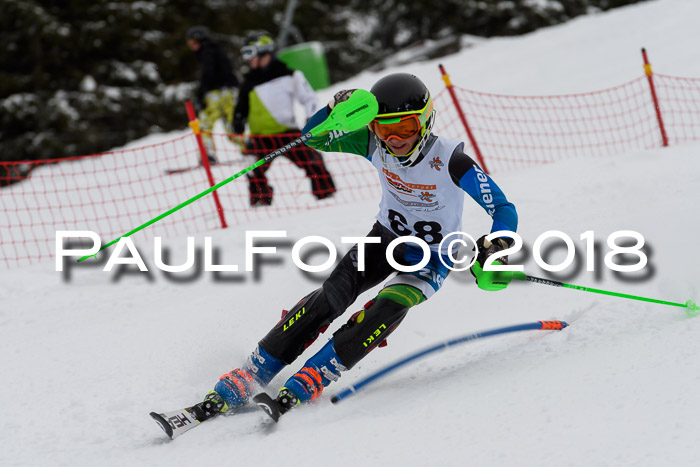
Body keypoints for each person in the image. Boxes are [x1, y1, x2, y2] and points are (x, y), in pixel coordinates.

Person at [192, 73, 518, 421]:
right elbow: (312, 137)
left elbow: (503, 208)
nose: (395, 140)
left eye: (406, 128)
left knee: (386, 308)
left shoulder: (451, 159)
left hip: (432, 257)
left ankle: (317, 373)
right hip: (383, 240)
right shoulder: (373, 144)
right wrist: (335, 106)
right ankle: (256, 369)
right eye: (383, 129)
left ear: (425, 121)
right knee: (331, 295)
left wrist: (497, 243)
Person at [233, 31, 336, 207]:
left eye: (249, 53)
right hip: (261, 138)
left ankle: (327, 197)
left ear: (264, 51)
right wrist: (238, 122)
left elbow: (309, 98)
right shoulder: (248, 82)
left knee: (313, 161)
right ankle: (260, 203)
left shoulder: (289, 75)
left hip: (287, 133)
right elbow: (241, 108)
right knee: (252, 169)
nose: (247, 59)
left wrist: (311, 119)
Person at [186, 25, 239, 165]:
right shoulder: (218, 49)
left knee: (205, 124)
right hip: (231, 92)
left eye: (193, 42)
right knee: (232, 124)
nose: (192, 47)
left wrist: (201, 93)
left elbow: (208, 73)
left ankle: (207, 154)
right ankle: (249, 148)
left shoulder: (207, 51)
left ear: (199, 39)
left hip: (215, 93)